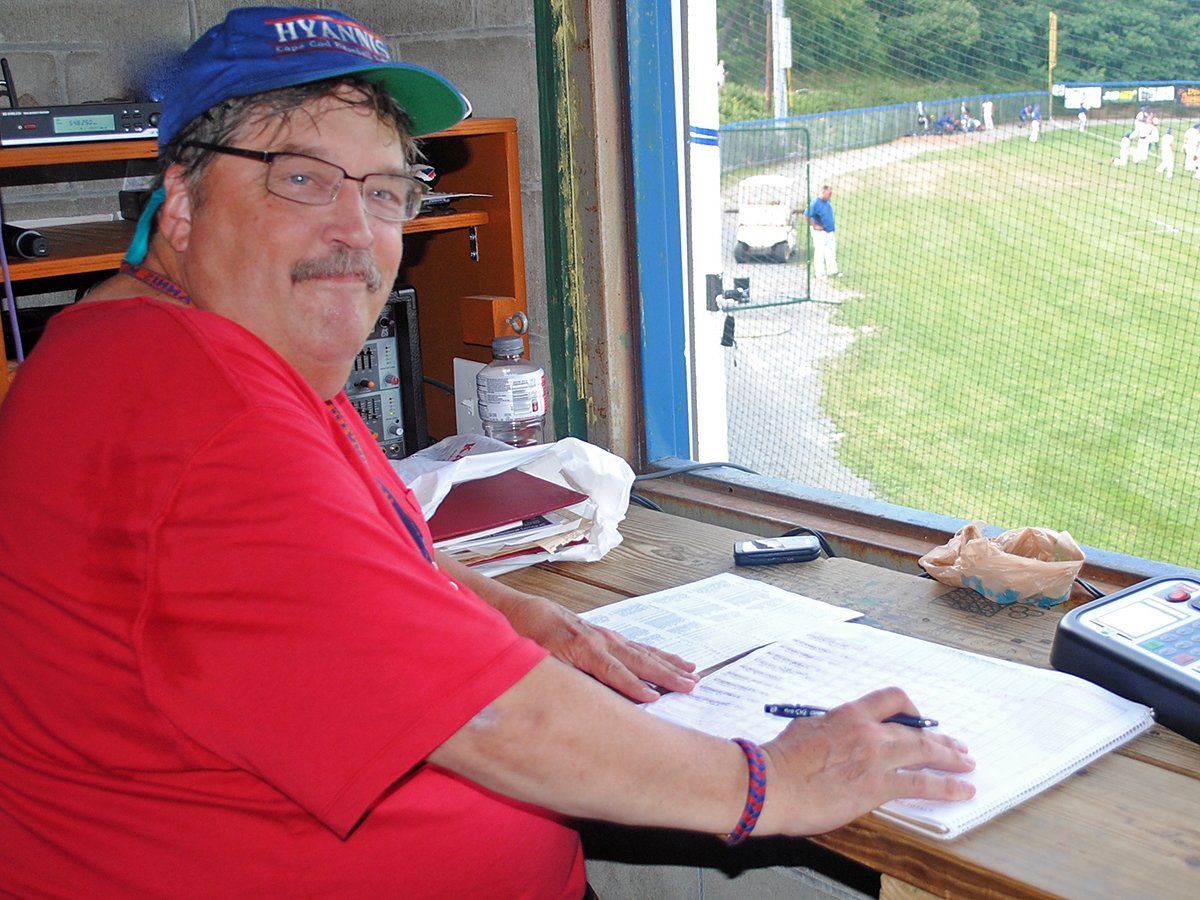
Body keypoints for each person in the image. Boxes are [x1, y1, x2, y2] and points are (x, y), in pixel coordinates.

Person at [0, 7, 975, 896]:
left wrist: (520, 617)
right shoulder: (194, 412)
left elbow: (366, 562)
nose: (356, 230)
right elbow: (488, 718)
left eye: (386, 191)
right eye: (301, 179)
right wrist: (767, 783)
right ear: (179, 202)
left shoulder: (175, 343)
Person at [805, 184, 842, 279]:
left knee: (831, 251)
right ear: (823, 192)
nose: (830, 195)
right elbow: (806, 216)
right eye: (829, 193)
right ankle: (820, 273)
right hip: (819, 232)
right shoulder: (815, 203)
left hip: (829, 231)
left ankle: (832, 270)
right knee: (820, 251)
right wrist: (814, 225)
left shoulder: (827, 202)